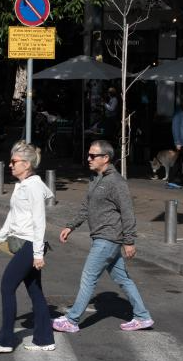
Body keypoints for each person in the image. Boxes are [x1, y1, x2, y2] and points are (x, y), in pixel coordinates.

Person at [53, 140, 155, 334]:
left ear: (105, 158)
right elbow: (86, 207)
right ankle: (142, 317)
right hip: (104, 238)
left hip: (108, 238)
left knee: (88, 278)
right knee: (123, 279)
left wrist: (129, 241)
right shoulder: (95, 179)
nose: (88, 158)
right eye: (89, 155)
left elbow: (127, 212)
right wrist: (71, 225)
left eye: (93, 155)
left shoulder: (116, 182)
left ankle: (72, 320)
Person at [0, 141, 55, 353]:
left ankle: (6, 339)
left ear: (26, 164)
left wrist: (38, 254)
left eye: (14, 161)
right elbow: (13, 216)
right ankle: (44, 339)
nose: (10, 165)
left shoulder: (33, 187)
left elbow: (39, 221)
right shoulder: (24, 185)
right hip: (26, 243)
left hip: (30, 244)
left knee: (7, 286)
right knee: (35, 291)